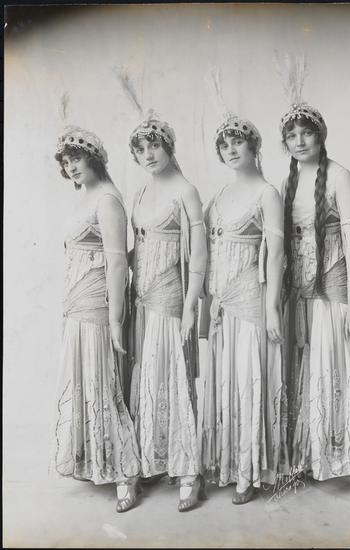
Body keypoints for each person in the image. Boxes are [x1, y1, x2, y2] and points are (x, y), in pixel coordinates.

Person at [279, 100, 350, 508]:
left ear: (321, 135)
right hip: (298, 290)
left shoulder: (340, 176)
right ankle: (309, 455)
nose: (300, 141)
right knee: (305, 366)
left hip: (333, 281)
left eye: (306, 133)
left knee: (338, 363)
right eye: (291, 135)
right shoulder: (287, 182)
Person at [51, 125, 141, 513]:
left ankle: (126, 473)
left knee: (103, 382)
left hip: (98, 305)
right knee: (83, 379)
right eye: (66, 162)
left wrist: (117, 320)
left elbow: (118, 262)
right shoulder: (85, 197)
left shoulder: (107, 199)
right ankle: (95, 459)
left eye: (77, 158)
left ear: (94, 158)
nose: (71, 167)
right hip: (76, 301)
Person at [201, 113, 289, 504]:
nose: (231, 149)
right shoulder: (219, 195)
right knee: (225, 379)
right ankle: (227, 463)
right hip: (222, 303)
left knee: (248, 378)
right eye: (224, 144)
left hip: (251, 299)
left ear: (253, 145)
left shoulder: (267, 194)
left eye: (237, 141)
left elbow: (276, 255)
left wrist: (271, 309)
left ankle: (249, 471)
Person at [127, 113, 207, 512]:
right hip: (142, 298)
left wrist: (191, 305)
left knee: (174, 374)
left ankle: (187, 468)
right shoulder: (141, 192)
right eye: (141, 149)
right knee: (147, 377)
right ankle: (150, 458)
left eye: (154, 146)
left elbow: (199, 256)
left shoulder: (186, 190)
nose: (148, 154)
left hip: (171, 298)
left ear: (169, 147)